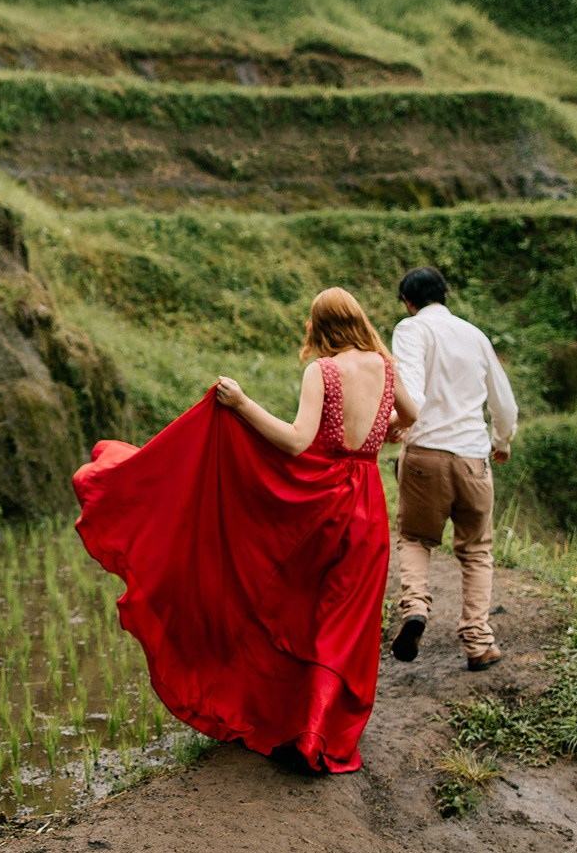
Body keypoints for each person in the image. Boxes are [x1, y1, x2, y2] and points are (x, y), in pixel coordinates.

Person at [73, 288, 418, 774]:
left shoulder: (322, 372)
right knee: (346, 623)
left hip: (323, 505)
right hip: (368, 506)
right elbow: (412, 413)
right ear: (358, 321)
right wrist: (389, 429)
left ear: (320, 329)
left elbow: (297, 442)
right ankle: (317, 733)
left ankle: (294, 724)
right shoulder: (384, 365)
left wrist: (241, 404)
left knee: (292, 604)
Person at [388, 266, 519, 671]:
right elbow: (505, 405)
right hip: (473, 459)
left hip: (425, 455)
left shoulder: (411, 330)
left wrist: (397, 424)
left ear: (409, 302)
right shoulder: (475, 336)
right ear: (445, 294)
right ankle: (478, 642)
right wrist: (501, 442)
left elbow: (409, 387)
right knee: (477, 550)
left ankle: (415, 608)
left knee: (414, 537)